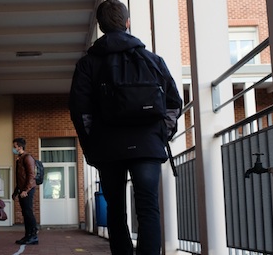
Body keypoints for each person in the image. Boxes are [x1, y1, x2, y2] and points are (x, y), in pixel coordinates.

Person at [69, 1, 182, 254]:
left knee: (116, 210)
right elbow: (174, 103)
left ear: (101, 26)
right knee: (148, 208)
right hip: (148, 146)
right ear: (127, 23)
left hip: (108, 148)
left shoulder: (87, 64)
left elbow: (80, 112)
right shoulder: (153, 60)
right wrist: (160, 134)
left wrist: (92, 145)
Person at [11, 138, 39, 245]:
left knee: (28, 212)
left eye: (15, 146)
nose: (13, 149)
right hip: (22, 190)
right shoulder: (20, 159)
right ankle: (28, 235)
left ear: (20, 147)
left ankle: (33, 235)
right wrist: (16, 192)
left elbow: (31, 175)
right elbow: (20, 178)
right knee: (25, 213)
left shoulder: (27, 158)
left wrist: (26, 190)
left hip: (28, 190)